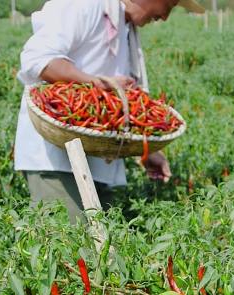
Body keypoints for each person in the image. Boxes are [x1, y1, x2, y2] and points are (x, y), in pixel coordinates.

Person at [14, 0, 204, 221]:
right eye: (169, 5)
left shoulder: (125, 26)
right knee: (71, 247)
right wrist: (95, 82)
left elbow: (120, 101)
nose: (164, 17)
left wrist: (147, 150)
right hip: (56, 158)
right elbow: (38, 60)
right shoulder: (83, 4)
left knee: (99, 249)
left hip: (97, 158)